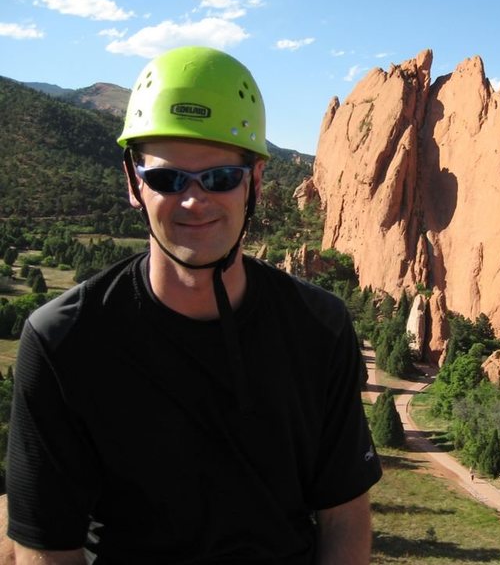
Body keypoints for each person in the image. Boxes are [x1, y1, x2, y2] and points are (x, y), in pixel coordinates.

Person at [6, 46, 382, 564]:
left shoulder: (319, 327)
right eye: (167, 178)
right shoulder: (63, 342)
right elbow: (47, 549)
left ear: (256, 181)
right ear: (133, 181)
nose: (193, 199)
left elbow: (344, 515)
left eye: (221, 177)